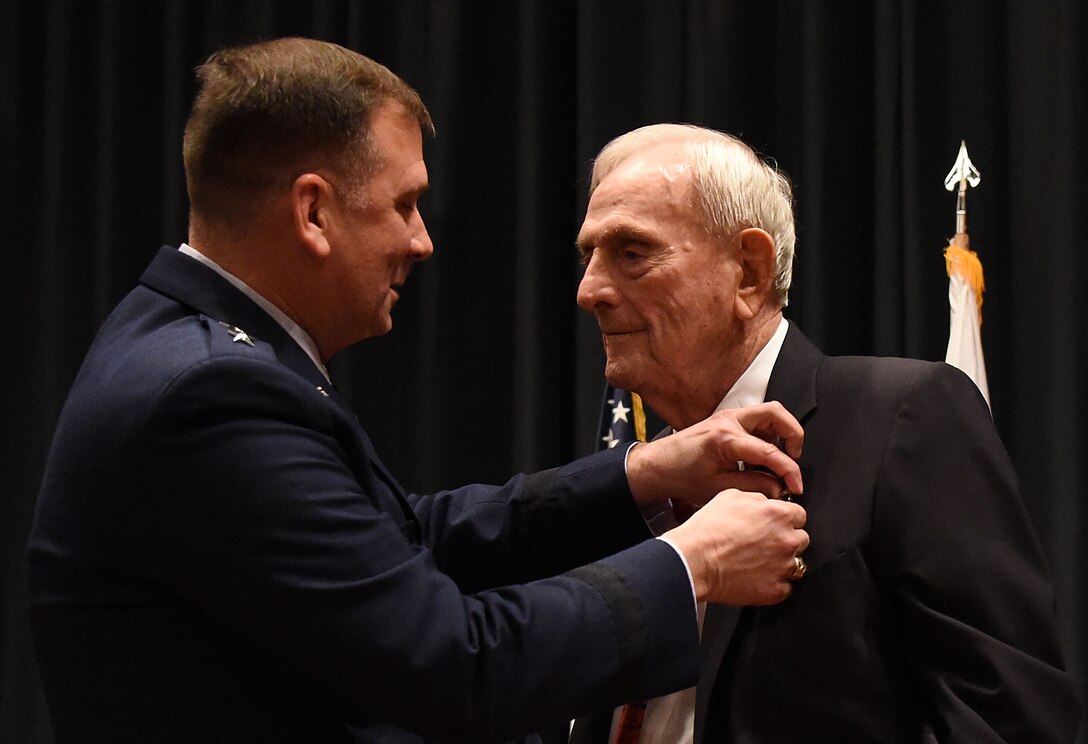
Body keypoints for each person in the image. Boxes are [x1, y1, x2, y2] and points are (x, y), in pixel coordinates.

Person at [25, 39, 813, 744]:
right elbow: (454, 667)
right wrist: (692, 563)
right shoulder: (213, 395)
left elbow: (400, 542)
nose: (421, 240)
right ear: (313, 212)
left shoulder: (183, 341)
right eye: (404, 204)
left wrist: (641, 475)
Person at [570, 124, 1081, 743]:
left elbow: (1010, 719)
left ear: (749, 274)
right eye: (588, 256)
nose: (589, 290)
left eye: (630, 253)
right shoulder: (633, 480)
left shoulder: (902, 418)